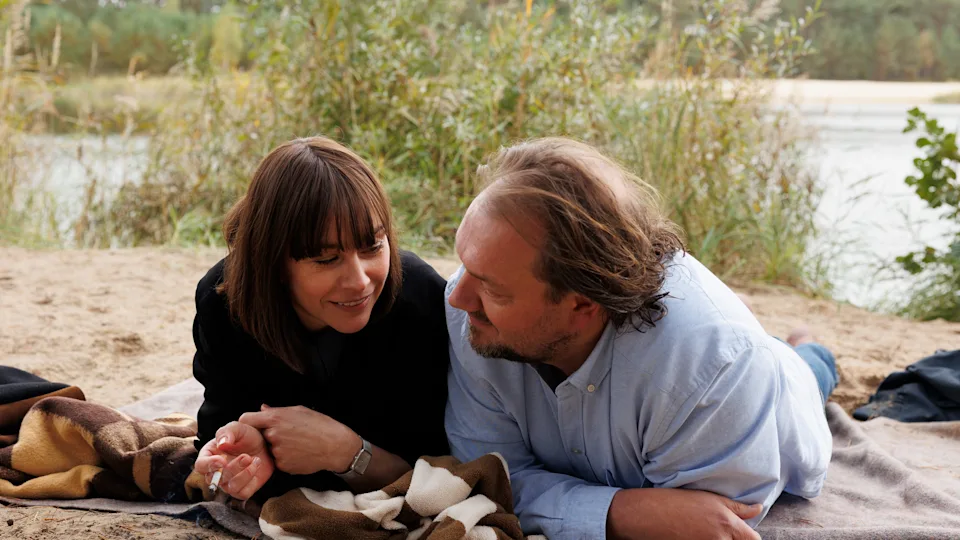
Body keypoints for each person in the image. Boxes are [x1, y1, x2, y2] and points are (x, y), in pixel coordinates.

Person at [443, 138, 837, 540]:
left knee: (808, 368)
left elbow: (715, 526)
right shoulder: (471, 313)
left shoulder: (715, 369)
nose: (458, 297)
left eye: (493, 290)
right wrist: (622, 512)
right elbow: (490, 477)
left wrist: (570, 505)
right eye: (465, 264)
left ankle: (808, 348)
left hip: (781, 395)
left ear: (583, 304)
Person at [191, 137, 450, 504]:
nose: (359, 280)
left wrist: (346, 452)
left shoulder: (421, 302)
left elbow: (444, 471)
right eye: (327, 259)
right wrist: (243, 456)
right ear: (273, 261)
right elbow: (220, 432)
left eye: (372, 247)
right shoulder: (225, 303)